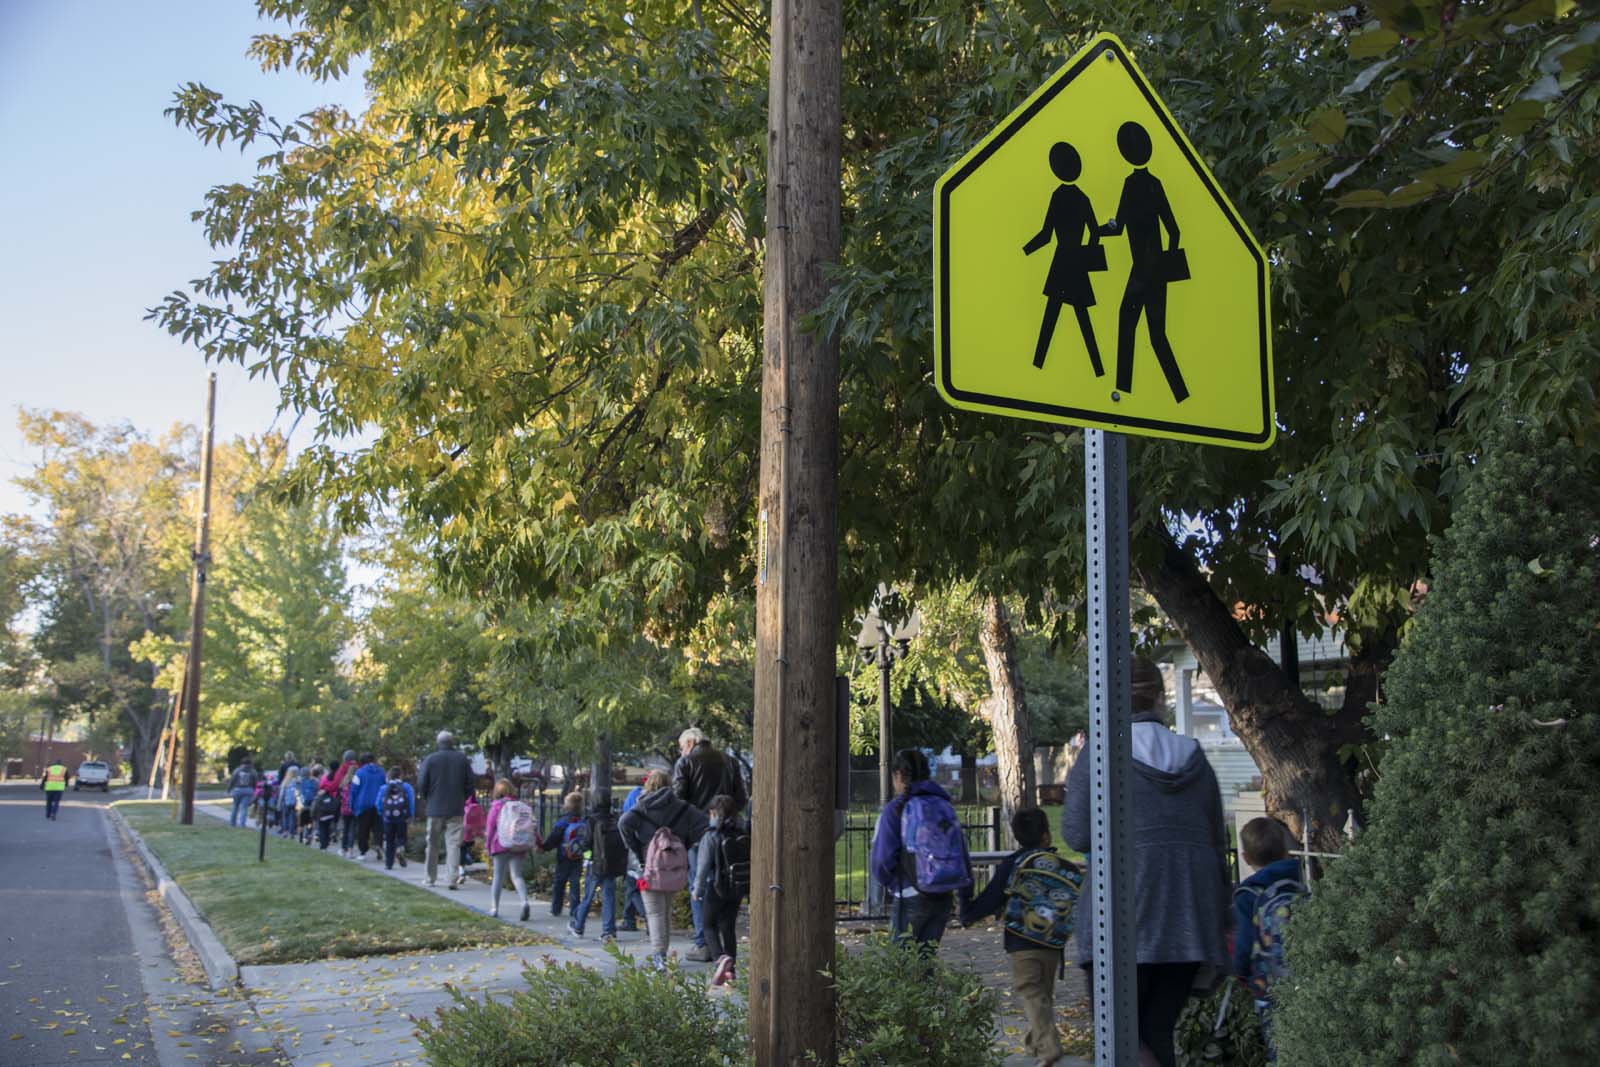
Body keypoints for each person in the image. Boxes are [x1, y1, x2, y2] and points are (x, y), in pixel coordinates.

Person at [1062, 657, 1230, 1067]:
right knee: (1156, 1030)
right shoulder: (1194, 756)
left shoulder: (1099, 753)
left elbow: (1077, 834)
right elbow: (1215, 837)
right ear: (1159, 698)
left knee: (1118, 1035)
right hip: (1190, 914)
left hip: (1121, 914)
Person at [960, 807, 1083, 1067]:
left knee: (1029, 991)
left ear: (1016, 836)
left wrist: (969, 913)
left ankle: (1048, 1049)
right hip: (1053, 942)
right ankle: (1033, 1043)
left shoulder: (1012, 863)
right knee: (1043, 993)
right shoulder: (1059, 866)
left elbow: (993, 897)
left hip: (1021, 940)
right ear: (1046, 837)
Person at [1101, 120, 1190, 404]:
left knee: (1128, 323)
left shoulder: (1132, 184)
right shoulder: (1155, 184)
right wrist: (1167, 262)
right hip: (1157, 270)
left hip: (1141, 270)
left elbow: (1119, 227)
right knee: (1156, 335)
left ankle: (1122, 390)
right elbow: (1174, 230)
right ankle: (1180, 393)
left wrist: (1099, 228)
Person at [869, 748, 972, 951]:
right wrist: (964, 895)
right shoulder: (944, 805)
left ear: (898, 775)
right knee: (926, 964)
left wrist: (892, 884)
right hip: (943, 894)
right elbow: (961, 851)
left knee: (901, 967)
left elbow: (881, 860)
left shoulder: (895, 809)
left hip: (909, 893)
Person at [1023, 140, 1106, 374]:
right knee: (1082, 317)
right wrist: (1087, 254)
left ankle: (1038, 364)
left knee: (1051, 317)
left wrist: (1025, 250)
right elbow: (1095, 232)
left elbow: (1046, 235)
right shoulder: (1083, 197)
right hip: (1076, 262)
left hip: (1061, 263)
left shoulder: (1058, 196)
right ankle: (1098, 369)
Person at [1232, 816, 1306, 1062]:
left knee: (1280, 1053)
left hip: (1270, 991)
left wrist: (1240, 973)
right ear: (1285, 849)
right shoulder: (1300, 880)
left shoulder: (1247, 895)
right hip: (1308, 984)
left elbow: (1243, 949)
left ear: (1246, 859)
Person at [671, 728, 747, 959]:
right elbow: (741, 797)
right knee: (728, 883)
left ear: (692, 741)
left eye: (682, 745)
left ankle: (703, 942)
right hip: (731, 833)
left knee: (700, 884)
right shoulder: (730, 761)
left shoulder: (685, 763)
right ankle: (726, 948)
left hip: (698, 834)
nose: (681, 750)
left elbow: (678, 798)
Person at [619, 769, 708, 966]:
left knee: (655, 912)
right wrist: (684, 842)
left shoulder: (642, 806)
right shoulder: (682, 807)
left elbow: (623, 824)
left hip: (649, 865)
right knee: (665, 911)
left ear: (649, 784)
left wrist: (635, 846)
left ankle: (660, 956)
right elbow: (704, 824)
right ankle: (663, 953)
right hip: (674, 866)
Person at [692, 794, 750, 988]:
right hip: (737, 887)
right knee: (728, 927)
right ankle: (730, 971)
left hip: (715, 886)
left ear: (714, 813)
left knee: (707, 924)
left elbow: (703, 866)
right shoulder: (742, 832)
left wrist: (697, 890)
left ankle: (720, 957)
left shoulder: (711, 836)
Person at [417, 730, 473, 889]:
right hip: (456, 808)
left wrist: (428, 797)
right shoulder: (462, 759)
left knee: (432, 845)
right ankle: (451, 879)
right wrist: (462, 797)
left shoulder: (430, 759)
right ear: (452, 743)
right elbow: (470, 784)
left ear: (438, 743)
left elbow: (422, 783)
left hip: (435, 808)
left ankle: (430, 878)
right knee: (454, 844)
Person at [571, 790, 629, 941]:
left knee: (588, 896)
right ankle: (609, 931)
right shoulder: (614, 819)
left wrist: (579, 848)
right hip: (611, 864)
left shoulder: (591, 820)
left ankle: (578, 926)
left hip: (595, 864)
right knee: (608, 896)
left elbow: (587, 843)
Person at [484, 778, 533, 920]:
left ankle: (494, 908)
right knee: (517, 875)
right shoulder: (521, 806)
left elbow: (490, 827)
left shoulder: (496, 806)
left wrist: (488, 845)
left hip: (500, 844)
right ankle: (524, 901)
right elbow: (530, 826)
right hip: (518, 845)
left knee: (498, 876)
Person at [540, 791, 587, 918]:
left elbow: (554, 838)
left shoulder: (563, 821)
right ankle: (575, 909)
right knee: (575, 883)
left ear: (567, 806)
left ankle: (556, 909)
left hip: (563, 856)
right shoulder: (584, 821)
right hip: (578, 857)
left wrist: (544, 847)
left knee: (559, 882)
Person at [347, 752, 387, 861]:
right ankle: (378, 843)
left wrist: (351, 804)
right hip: (378, 803)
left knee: (363, 829)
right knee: (378, 827)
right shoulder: (382, 772)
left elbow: (354, 790)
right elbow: (385, 786)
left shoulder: (359, 773)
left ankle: (363, 851)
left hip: (363, 804)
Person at [379, 769, 415, 870]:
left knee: (389, 839)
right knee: (401, 837)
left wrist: (381, 813)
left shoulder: (384, 788)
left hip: (388, 818)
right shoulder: (406, 787)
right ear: (400, 775)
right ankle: (400, 848)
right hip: (402, 818)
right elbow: (411, 802)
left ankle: (388, 863)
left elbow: (378, 803)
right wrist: (410, 815)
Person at [313, 764, 342, 849]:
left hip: (323, 802)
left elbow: (321, 788)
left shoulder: (325, 778)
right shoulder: (339, 777)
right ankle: (329, 838)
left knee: (322, 824)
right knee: (330, 822)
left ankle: (323, 843)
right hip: (334, 803)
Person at [460, 791, 487, 879]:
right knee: (463, 850)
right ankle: (466, 861)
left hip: (462, 833)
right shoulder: (476, 805)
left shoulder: (462, 804)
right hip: (472, 835)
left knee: (459, 851)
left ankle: (462, 871)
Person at [227, 757, 258, 827]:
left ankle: (232, 823)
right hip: (248, 790)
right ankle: (242, 824)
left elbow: (232, 780)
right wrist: (255, 791)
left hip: (237, 790)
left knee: (235, 806)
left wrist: (229, 790)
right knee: (244, 807)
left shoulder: (237, 770)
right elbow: (256, 782)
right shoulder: (252, 771)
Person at [296, 764, 322, 845]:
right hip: (311, 805)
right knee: (309, 822)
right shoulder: (314, 782)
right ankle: (307, 836)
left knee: (301, 822)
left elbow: (297, 794)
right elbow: (317, 792)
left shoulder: (299, 782)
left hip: (302, 806)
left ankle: (300, 837)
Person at [278, 765, 301, 838]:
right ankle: (291, 832)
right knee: (293, 817)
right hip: (295, 801)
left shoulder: (286, 781)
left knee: (285, 816)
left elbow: (282, 793)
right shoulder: (299, 781)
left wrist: (279, 803)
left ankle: (285, 831)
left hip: (286, 801)